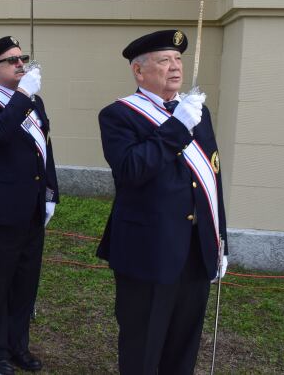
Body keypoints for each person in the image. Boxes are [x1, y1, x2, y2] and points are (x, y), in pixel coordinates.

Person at [96, 29, 228, 374]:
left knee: (183, 348)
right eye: (164, 60)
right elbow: (131, 170)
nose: (175, 67)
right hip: (148, 251)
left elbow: (210, 178)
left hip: (196, 250)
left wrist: (220, 240)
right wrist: (176, 127)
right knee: (144, 346)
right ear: (139, 71)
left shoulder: (197, 111)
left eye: (178, 59)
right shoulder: (119, 115)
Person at [0, 36, 59, 375]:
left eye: (23, 59)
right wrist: (22, 96)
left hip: (31, 206)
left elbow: (43, 150)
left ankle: (18, 345)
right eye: (11, 60)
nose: (21, 64)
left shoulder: (34, 101)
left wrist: (51, 193)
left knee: (25, 285)